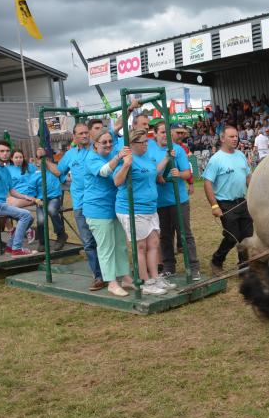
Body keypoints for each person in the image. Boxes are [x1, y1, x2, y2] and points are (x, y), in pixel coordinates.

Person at [41, 123, 105, 291]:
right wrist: (45, 160)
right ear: (74, 137)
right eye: (80, 133)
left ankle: (112, 272)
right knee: (88, 242)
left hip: (99, 203)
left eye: (86, 133)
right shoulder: (70, 155)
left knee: (105, 240)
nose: (84, 136)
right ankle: (98, 276)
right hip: (80, 204)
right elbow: (58, 171)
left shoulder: (98, 150)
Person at [112, 128, 174, 295]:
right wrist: (125, 165)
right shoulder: (128, 159)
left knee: (154, 244)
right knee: (141, 246)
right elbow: (117, 182)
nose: (146, 144)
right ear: (132, 144)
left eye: (147, 141)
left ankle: (155, 278)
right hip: (133, 209)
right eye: (142, 142)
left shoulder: (147, 156)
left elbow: (154, 171)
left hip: (150, 208)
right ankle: (145, 282)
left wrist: (167, 158)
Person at [83, 129, 135, 297]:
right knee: (106, 248)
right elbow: (105, 171)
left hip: (114, 207)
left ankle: (126, 277)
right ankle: (112, 283)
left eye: (109, 142)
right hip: (97, 209)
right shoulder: (91, 158)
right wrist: (118, 157)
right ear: (95, 144)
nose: (108, 145)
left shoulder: (112, 152)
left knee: (120, 245)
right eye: (103, 142)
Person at [203, 125, 253, 274]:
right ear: (222, 138)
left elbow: (248, 176)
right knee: (232, 236)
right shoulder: (216, 159)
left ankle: (244, 268)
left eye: (236, 136)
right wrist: (214, 206)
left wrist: (254, 193)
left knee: (247, 238)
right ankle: (216, 261)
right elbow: (207, 183)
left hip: (242, 202)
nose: (235, 139)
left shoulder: (240, 155)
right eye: (231, 136)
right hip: (225, 204)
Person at [155, 121, 201, 280]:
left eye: (166, 132)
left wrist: (179, 175)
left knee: (185, 234)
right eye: (161, 132)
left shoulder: (178, 150)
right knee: (165, 236)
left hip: (179, 199)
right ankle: (169, 267)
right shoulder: (150, 151)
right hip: (160, 202)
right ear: (155, 134)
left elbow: (188, 173)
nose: (164, 135)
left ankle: (194, 267)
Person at [29, 166, 69, 252]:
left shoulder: (54, 171)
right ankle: (42, 242)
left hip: (54, 198)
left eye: (46, 158)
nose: (43, 161)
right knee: (41, 220)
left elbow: (65, 178)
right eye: (40, 159)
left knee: (51, 210)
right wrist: (37, 200)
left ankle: (61, 235)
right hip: (41, 200)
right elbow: (31, 190)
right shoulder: (35, 175)